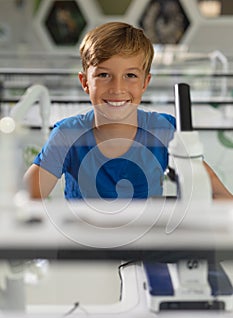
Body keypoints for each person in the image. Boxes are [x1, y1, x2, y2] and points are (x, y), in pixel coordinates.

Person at [24, 22, 232, 200]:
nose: (117, 88)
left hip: (148, 243)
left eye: (130, 75)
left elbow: (219, 195)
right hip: (85, 245)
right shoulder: (67, 136)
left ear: (145, 82)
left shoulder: (164, 130)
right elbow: (27, 199)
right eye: (104, 75)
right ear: (85, 82)